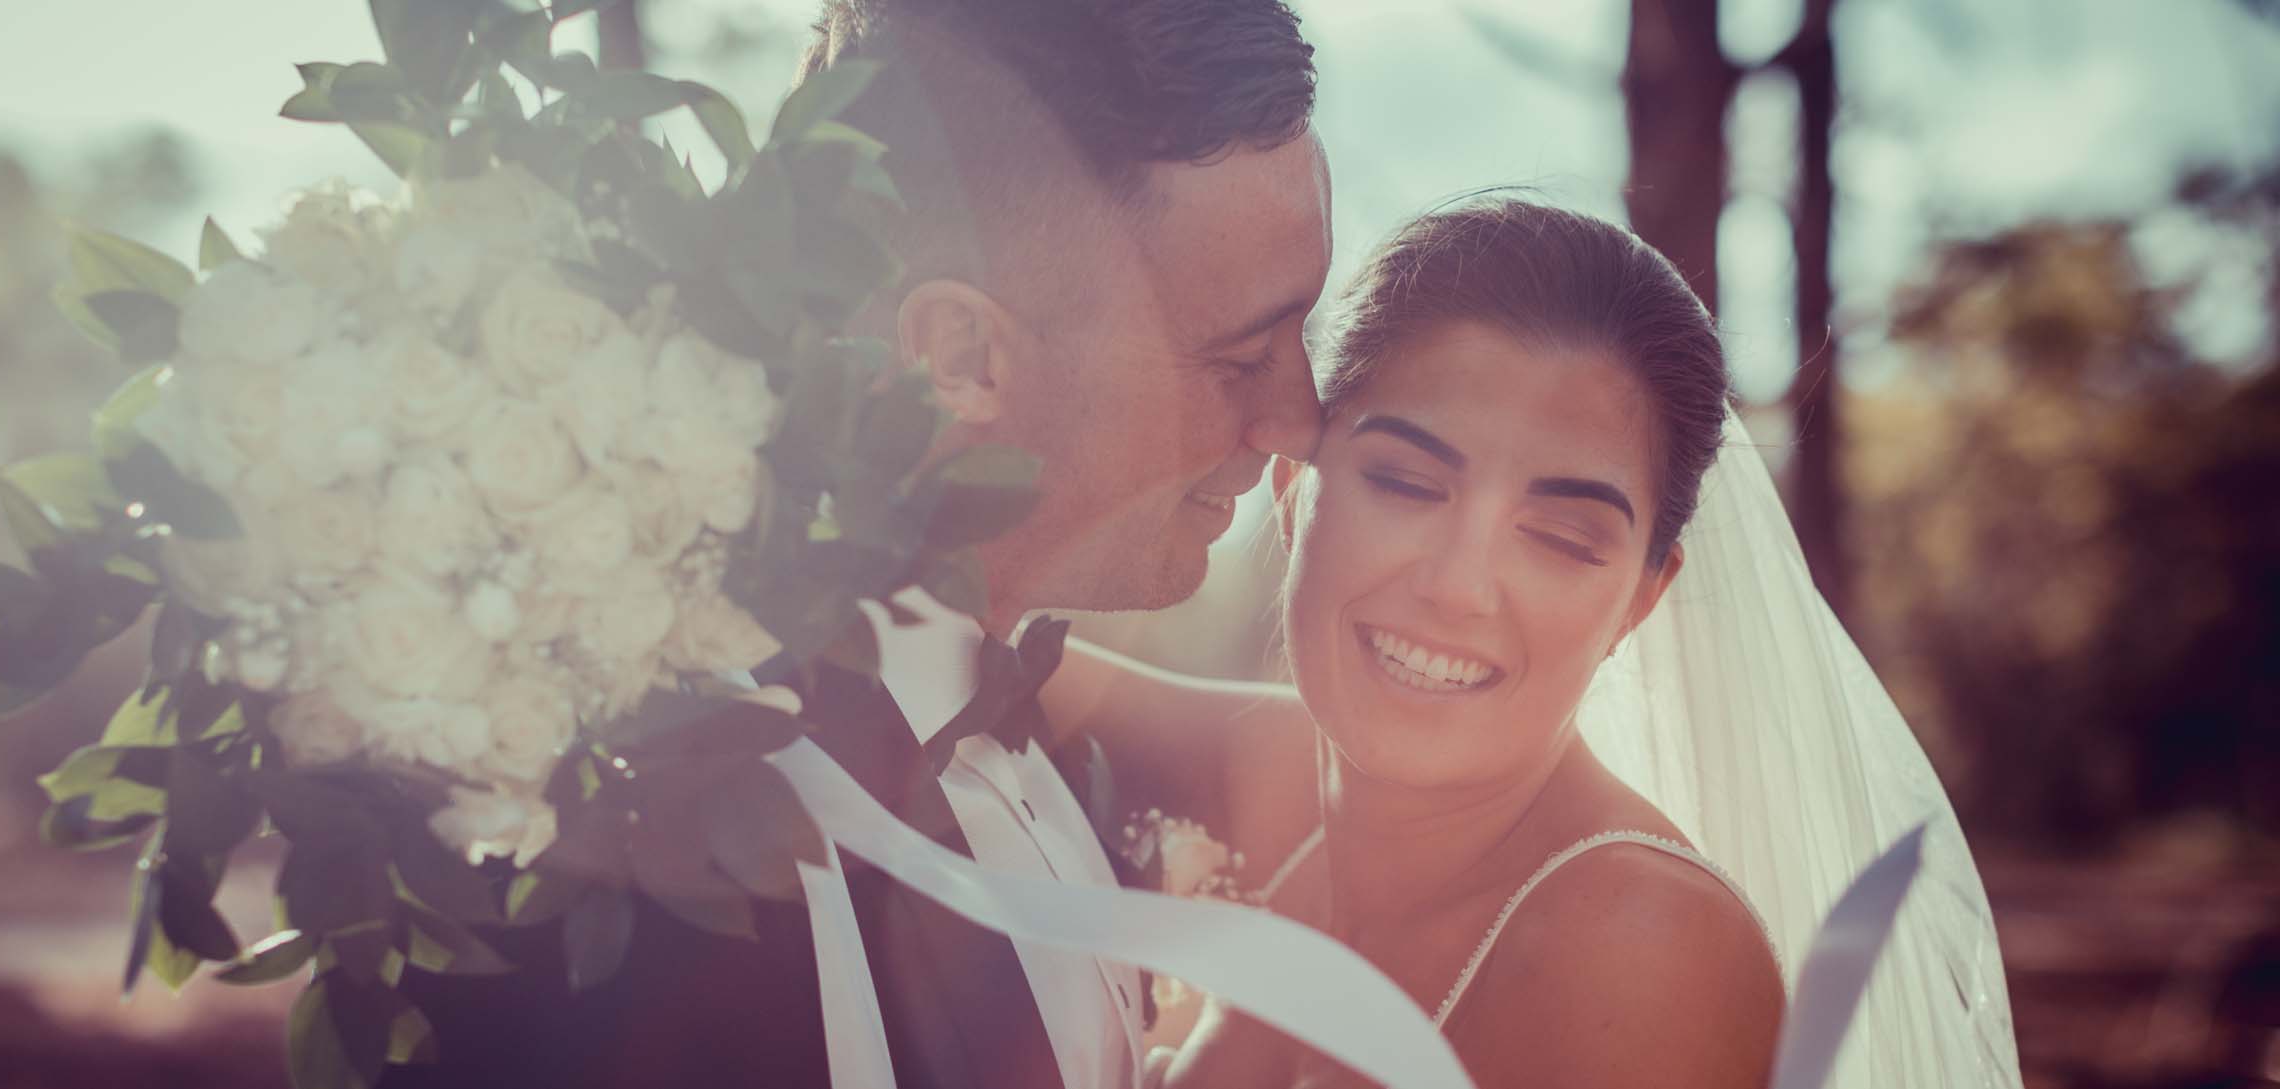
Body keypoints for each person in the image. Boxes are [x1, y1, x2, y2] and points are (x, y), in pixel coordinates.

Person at [387, 1, 1332, 1086]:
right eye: (1239, 357)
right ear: (961, 355)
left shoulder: (1059, 764)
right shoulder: (617, 839)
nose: (1300, 421)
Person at [1044, 200, 2024, 1089]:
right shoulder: (1289, 781)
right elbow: (979, 651)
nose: (1458, 586)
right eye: (1406, 484)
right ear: (1298, 495)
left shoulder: (1634, 953)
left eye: (1561, 539)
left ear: (1640, 602)